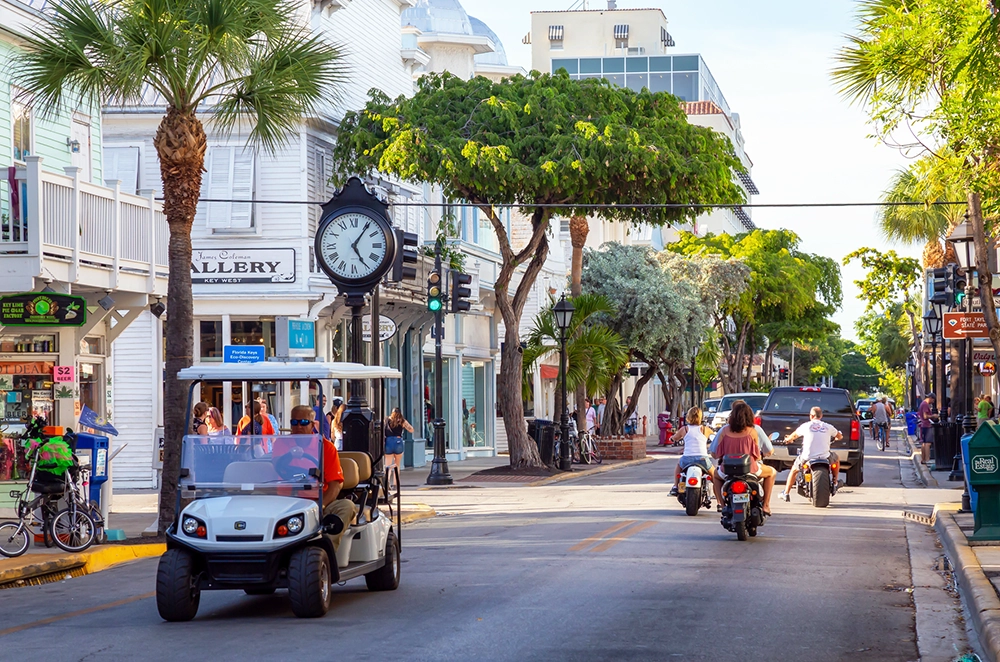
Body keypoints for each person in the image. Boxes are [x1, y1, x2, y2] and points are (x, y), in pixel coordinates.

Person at [273, 405, 356, 554]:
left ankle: (325, 554)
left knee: (347, 507)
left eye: (304, 422)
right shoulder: (281, 443)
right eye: (294, 422)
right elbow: (277, 465)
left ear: (313, 424)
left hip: (316, 502)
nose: (298, 426)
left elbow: (335, 484)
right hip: (285, 501)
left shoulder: (326, 447)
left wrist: (320, 506)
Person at [711, 401, 771, 515]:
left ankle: (722, 505)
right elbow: (757, 456)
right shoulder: (752, 432)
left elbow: (716, 454)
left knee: (715, 475)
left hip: (727, 470)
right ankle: (766, 505)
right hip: (749, 470)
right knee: (771, 473)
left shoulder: (724, 431)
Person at [779, 406, 842, 502]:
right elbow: (839, 436)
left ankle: (786, 493)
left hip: (807, 457)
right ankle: (835, 481)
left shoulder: (806, 426)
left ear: (811, 416)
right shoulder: (828, 426)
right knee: (836, 459)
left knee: (794, 470)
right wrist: (837, 438)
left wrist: (787, 439)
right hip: (825, 457)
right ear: (821, 416)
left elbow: (794, 435)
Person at [668, 406, 714, 497]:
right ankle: (719, 495)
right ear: (701, 417)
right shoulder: (705, 429)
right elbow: (714, 437)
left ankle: (675, 486)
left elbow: (675, 438)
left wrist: (672, 438)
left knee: (678, 466)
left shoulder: (684, 429)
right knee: (714, 475)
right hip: (702, 459)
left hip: (687, 459)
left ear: (688, 417)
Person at [384, 407, 414, 490]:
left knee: (388, 465)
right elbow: (411, 430)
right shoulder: (402, 420)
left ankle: (387, 483)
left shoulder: (386, 420)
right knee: (397, 464)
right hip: (398, 442)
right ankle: (395, 484)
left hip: (388, 442)